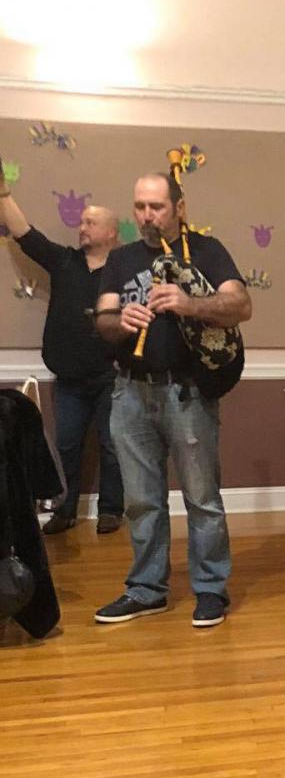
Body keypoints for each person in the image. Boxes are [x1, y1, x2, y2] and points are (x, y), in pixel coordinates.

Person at [93, 172, 251, 628]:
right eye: (140, 207)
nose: (147, 216)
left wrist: (189, 304)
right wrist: (120, 320)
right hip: (130, 391)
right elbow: (102, 321)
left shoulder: (206, 251)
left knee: (202, 498)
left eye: (156, 207)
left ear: (179, 208)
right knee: (141, 501)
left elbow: (240, 306)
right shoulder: (121, 258)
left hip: (187, 391)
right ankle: (147, 590)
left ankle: (211, 589)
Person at [0, 161, 124, 535]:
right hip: (68, 377)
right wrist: (3, 193)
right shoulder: (65, 261)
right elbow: (24, 234)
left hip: (111, 377)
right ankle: (64, 511)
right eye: (81, 221)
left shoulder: (124, 271)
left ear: (111, 232)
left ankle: (112, 510)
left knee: (112, 446)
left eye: (91, 222)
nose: (82, 227)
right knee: (66, 447)